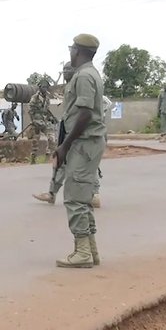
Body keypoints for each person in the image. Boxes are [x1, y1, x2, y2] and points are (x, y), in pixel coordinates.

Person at [54, 34, 107, 269]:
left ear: (79, 51)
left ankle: (82, 252)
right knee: (83, 198)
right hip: (87, 142)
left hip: (84, 142)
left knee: (74, 197)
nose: (70, 52)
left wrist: (65, 145)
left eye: (72, 48)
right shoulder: (88, 74)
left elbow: (84, 114)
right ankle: (90, 250)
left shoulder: (84, 76)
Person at [33, 62, 101, 208]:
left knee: (86, 163)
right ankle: (52, 193)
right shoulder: (69, 86)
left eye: (67, 69)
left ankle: (94, 194)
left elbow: (94, 108)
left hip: (81, 132)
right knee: (60, 162)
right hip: (68, 129)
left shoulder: (83, 81)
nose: (65, 72)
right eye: (63, 70)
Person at [27, 77, 57, 163]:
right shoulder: (35, 98)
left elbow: (47, 110)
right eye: (43, 87)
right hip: (36, 121)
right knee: (35, 142)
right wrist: (33, 121)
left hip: (44, 121)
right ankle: (33, 159)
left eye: (46, 87)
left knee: (51, 138)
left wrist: (51, 118)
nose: (45, 88)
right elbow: (30, 110)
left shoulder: (47, 99)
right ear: (40, 87)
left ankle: (47, 159)